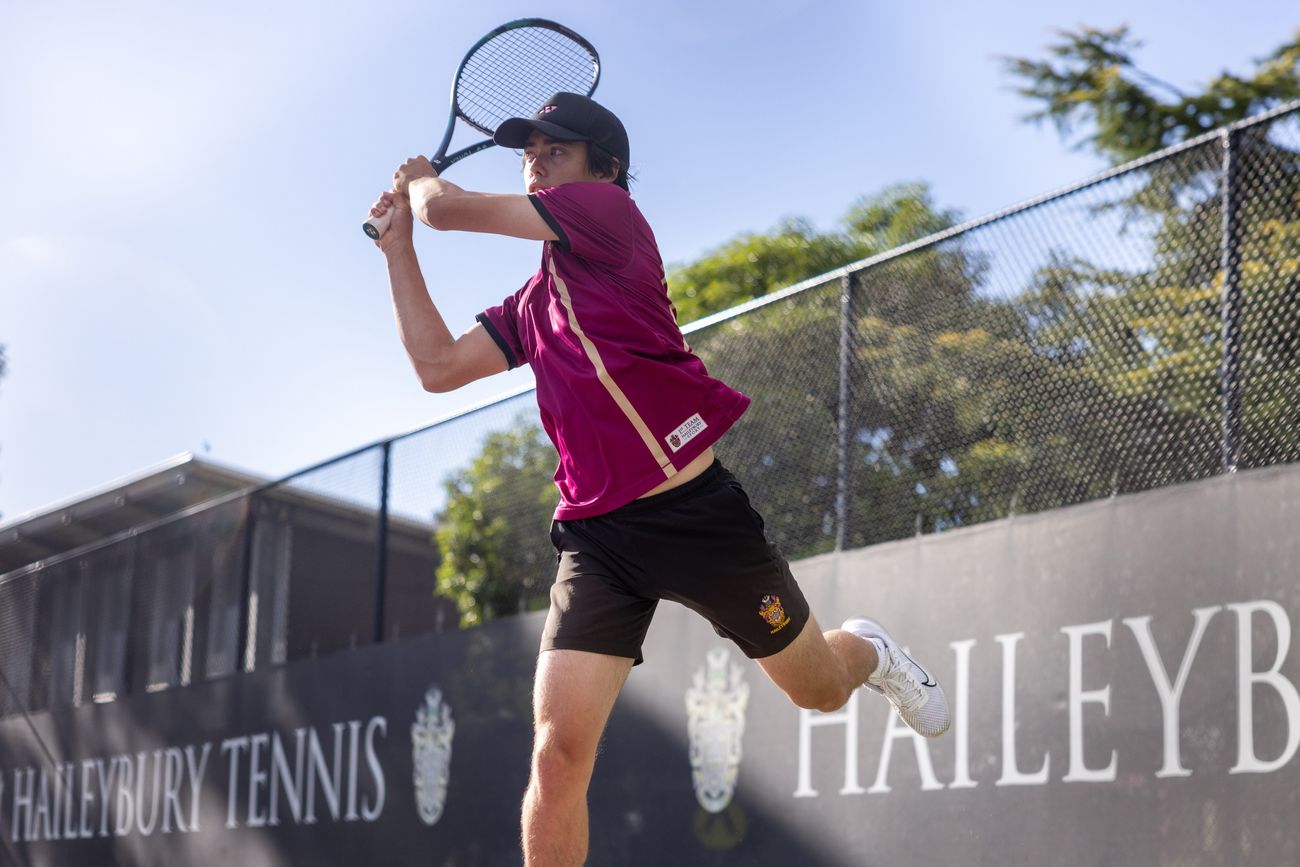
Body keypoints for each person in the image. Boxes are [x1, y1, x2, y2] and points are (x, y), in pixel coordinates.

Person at [370, 92, 950, 867]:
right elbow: (438, 366)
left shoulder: (610, 216)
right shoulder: (534, 304)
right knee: (556, 754)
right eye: (529, 153)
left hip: (696, 516)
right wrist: (397, 249)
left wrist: (419, 182)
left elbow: (445, 208)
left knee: (819, 689)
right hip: (596, 539)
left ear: (605, 170)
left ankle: (868, 651)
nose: (536, 164)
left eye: (556, 151)